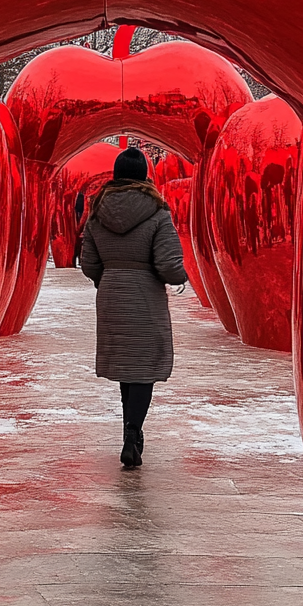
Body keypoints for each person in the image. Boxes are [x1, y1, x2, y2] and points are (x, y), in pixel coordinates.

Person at [80, 147, 187, 467]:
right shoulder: (157, 211)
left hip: (112, 294)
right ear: (145, 174)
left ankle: (129, 430)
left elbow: (88, 263)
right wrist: (179, 276)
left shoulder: (97, 210)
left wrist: (109, 276)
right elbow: (168, 264)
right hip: (145, 296)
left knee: (127, 367)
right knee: (144, 368)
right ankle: (133, 432)